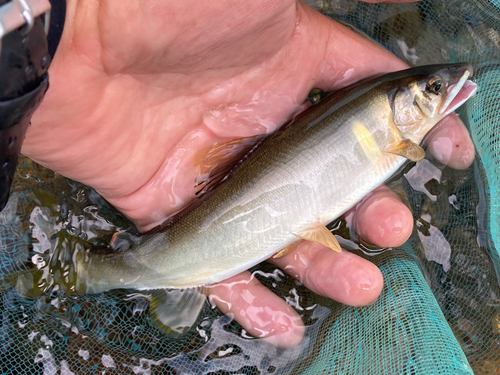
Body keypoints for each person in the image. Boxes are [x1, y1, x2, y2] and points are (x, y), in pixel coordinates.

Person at [20, 0, 475, 347]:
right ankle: (92, 272)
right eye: (433, 89)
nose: (444, 88)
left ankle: (74, 274)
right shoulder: (397, 136)